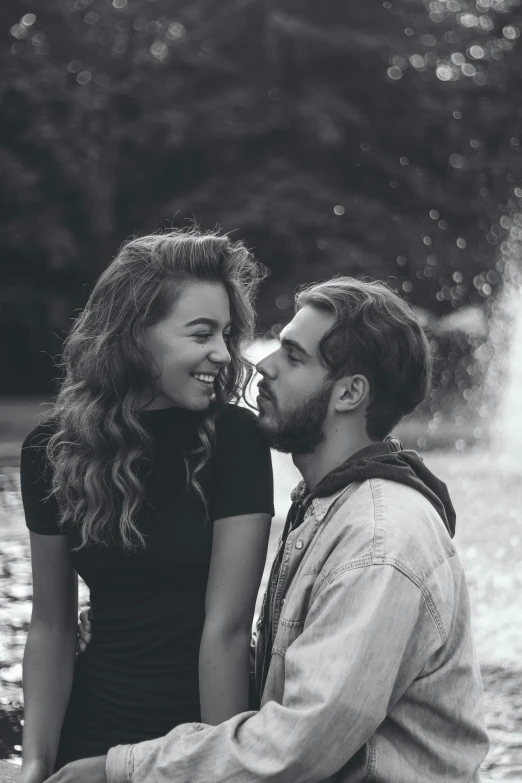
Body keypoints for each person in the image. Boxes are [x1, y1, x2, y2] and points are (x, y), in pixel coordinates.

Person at [48, 277, 489, 783]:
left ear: (349, 392)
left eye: (293, 356)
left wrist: (118, 769)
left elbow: (297, 746)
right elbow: (310, 683)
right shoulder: (331, 509)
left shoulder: (377, 541)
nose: (264, 366)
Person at [19, 229, 274, 783]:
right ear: (133, 335)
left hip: (196, 733)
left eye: (227, 334)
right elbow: (52, 626)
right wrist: (35, 764)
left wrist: (216, 766)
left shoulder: (234, 439)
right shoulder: (50, 449)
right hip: (86, 732)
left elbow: (226, 631)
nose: (224, 354)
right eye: (201, 333)